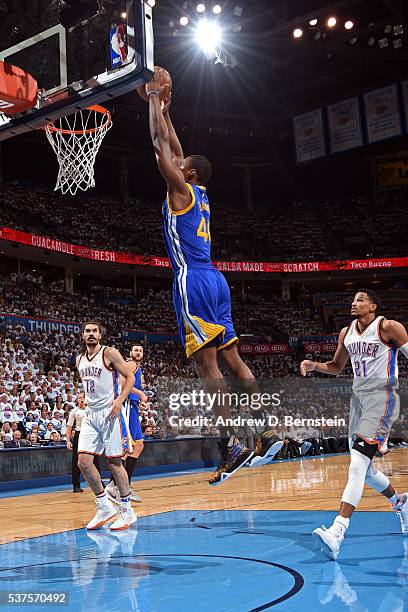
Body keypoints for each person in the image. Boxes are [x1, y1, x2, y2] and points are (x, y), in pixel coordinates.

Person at [146, 68, 281, 486]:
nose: (175, 161)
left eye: (179, 164)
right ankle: (264, 427)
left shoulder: (181, 191)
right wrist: (168, 112)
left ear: (188, 174)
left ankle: (233, 439)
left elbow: (158, 146)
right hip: (216, 279)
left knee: (208, 368)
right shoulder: (200, 194)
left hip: (192, 280)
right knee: (234, 360)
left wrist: (152, 98)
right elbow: (173, 143)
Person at [301, 289, 408, 560]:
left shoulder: (388, 327)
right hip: (357, 401)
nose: (354, 303)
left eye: (360, 300)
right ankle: (400, 502)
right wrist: (315, 365)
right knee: (367, 470)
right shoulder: (346, 332)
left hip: (381, 397)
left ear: (373, 306)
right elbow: (337, 367)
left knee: (357, 465)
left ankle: (338, 530)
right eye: (353, 299)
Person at [76, 321, 137, 531]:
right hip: (90, 415)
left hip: (110, 413)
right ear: (83, 335)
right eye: (87, 331)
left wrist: (120, 400)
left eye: (94, 331)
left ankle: (127, 511)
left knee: (114, 463)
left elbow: (130, 376)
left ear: (100, 335)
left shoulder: (109, 353)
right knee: (83, 462)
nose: (91, 334)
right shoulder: (79, 360)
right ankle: (104, 507)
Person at [106, 344, 147, 505]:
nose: (138, 352)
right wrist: (141, 394)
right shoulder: (130, 364)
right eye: (135, 350)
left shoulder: (137, 367)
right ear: (130, 353)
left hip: (133, 406)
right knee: (130, 447)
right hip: (127, 406)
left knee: (137, 446)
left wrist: (140, 401)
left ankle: (119, 484)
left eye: (140, 350)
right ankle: (118, 486)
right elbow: (122, 385)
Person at [66, 390, 101, 493]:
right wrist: (68, 440)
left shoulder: (91, 410)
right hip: (79, 434)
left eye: (83, 397)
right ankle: (76, 485)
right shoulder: (74, 412)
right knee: (76, 461)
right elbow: (69, 427)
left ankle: (100, 483)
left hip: (91, 434)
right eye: (79, 397)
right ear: (77, 400)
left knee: (95, 460)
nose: (81, 399)